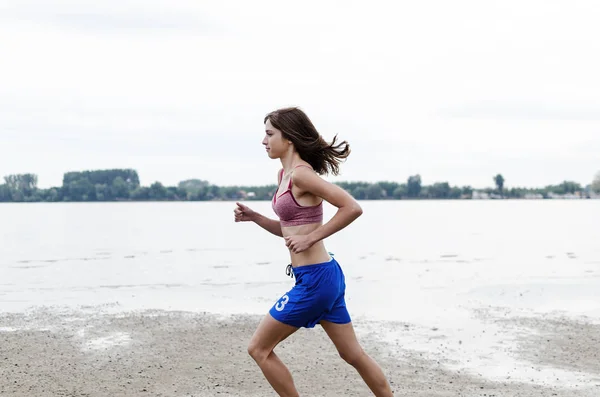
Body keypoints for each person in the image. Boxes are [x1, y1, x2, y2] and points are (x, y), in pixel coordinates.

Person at [233, 107, 393, 396]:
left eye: (270, 134)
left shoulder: (302, 176)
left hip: (316, 280)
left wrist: (312, 238)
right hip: (322, 276)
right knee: (352, 354)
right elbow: (291, 229)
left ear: (289, 138)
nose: (263, 141)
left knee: (259, 348)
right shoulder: (284, 174)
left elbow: (352, 207)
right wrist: (256, 217)